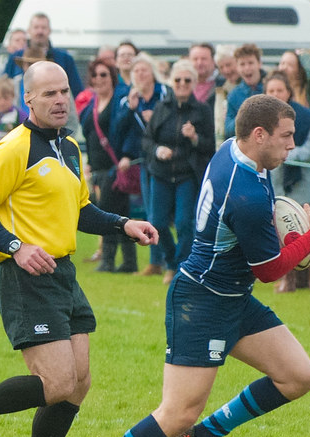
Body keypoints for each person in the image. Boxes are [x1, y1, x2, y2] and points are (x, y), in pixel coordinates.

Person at [69, 94, 310, 437]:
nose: (292, 144)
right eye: (286, 136)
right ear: (258, 134)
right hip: (202, 303)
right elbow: (269, 270)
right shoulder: (244, 192)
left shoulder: (236, 150)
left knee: (298, 376)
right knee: (178, 411)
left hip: (233, 298)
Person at [0, 61, 157, 437]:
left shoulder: (69, 147)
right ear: (28, 99)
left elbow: (80, 210)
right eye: (49, 93)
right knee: (56, 384)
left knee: (78, 383)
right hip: (24, 277)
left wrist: (122, 224)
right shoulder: (13, 148)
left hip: (63, 273)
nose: (59, 100)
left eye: (64, 92)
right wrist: (18, 247)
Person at [142, 59, 214, 281]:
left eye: (187, 80)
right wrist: (157, 150)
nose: (182, 84)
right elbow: (146, 140)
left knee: (184, 223)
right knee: (158, 222)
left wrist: (194, 137)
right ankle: (171, 261)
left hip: (187, 175)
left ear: (193, 83)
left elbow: (209, 146)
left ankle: (182, 267)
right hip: (161, 173)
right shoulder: (161, 108)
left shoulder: (202, 111)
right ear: (171, 82)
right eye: (178, 80)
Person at [264, 71, 310, 294]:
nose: (276, 94)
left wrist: (287, 152)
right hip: (277, 180)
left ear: (289, 92)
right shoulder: (262, 122)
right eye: (271, 91)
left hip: (304, 181)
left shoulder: (307, 117)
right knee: (283, 229)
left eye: (280, 90)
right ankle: (288, 281)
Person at [81, 58, 140, 273]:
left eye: (104, 74)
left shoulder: (120, 101)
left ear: (112, 77)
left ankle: (109, 259)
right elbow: (89, 135)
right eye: (95, 75)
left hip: (116, 167)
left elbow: (130, 129)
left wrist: (127, 155)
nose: (99, 79)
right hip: (97, 167)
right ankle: (129, 262)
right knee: (120, 211)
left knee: (107, 211)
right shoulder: (91, 105)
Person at [123, 52, 170, 277]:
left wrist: (156, 119)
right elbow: (122, 131)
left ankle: (170, 259)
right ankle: (155, 260)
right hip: (145, 160)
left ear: (153, 72)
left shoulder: (164, 93)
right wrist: (131, 110)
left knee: (168, 214)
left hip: (168, 159)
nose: (140, 75)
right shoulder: (131, 99)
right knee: (151, 209)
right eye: (136, 71)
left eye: (144, 70)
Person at [5, 12, 83, 96]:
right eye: (36, 27)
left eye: (43, 27)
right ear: (29, 31)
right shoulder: (16, 57)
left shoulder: (65, 59)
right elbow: (3, 89)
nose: (40, 31)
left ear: (49, 31)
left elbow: (77, 93)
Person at [223, 43, 265, 138]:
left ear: (259, 64)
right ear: (237, 67)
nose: (247, 68)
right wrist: (243, 116)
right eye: (242, 64)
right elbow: (228, 131)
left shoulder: (271, 87)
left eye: (250, 63)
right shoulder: (234, 95)